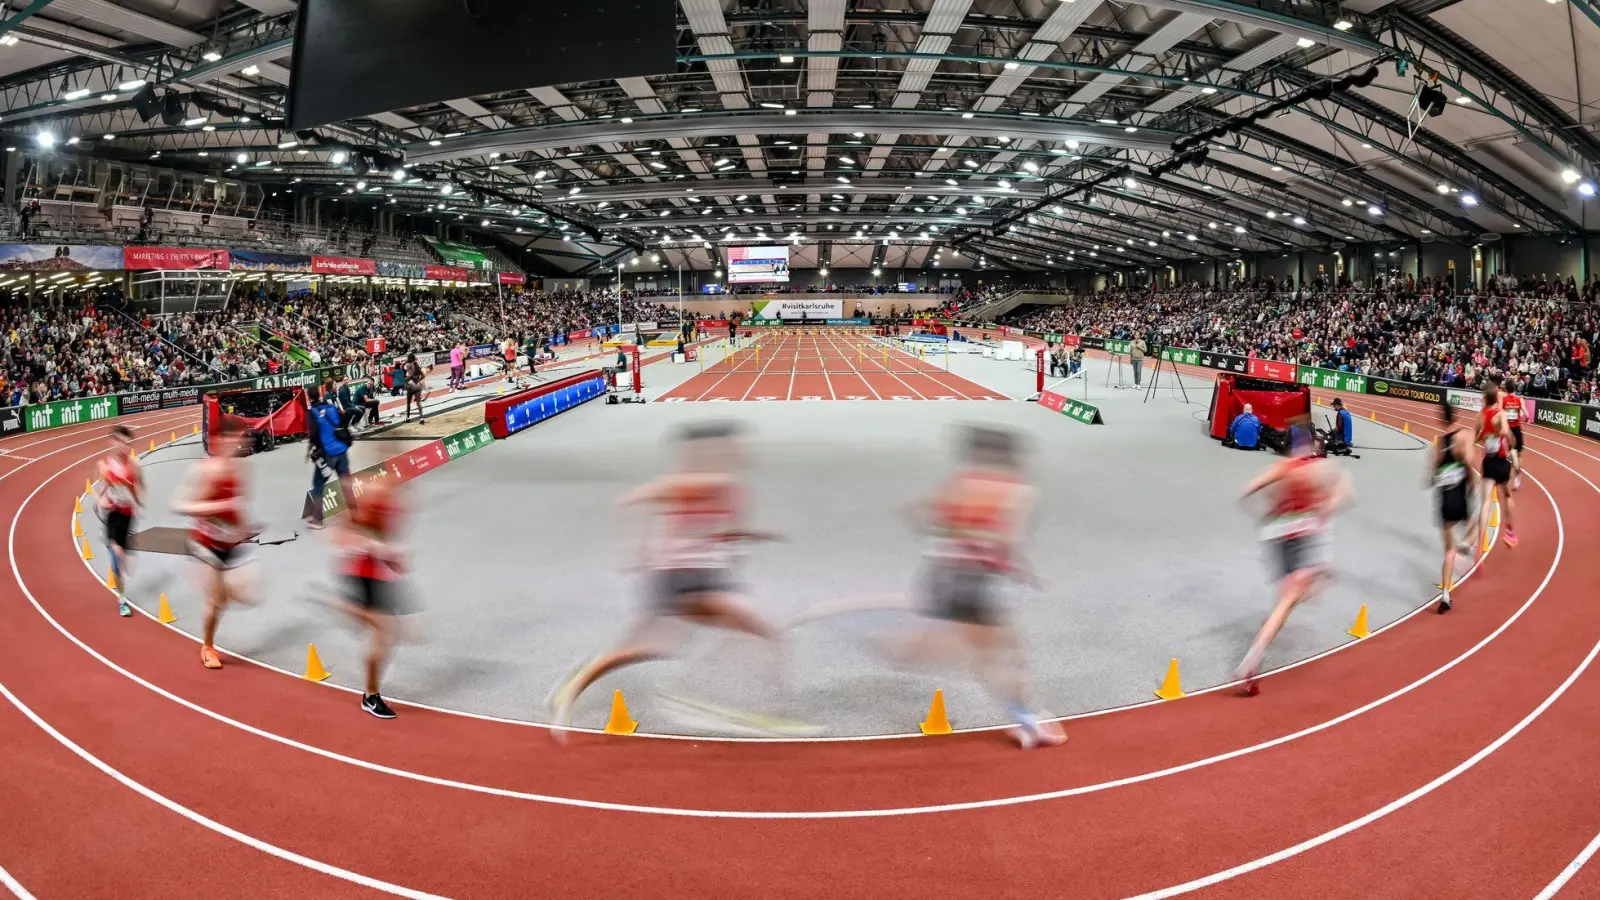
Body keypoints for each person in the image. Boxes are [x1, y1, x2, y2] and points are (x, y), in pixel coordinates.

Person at [548, 422, 794, 735]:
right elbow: (629, 502)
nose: (744, 450)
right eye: (736, 445)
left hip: (705, 577)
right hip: (680, 580)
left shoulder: (730, 488)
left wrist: (753, 536)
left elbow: (719, 532)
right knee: (763, 633)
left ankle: (576, 684)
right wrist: (633, 547)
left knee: (645, 648)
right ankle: (755, 710)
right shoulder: (698, 483)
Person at [892, 426, 1065, 748]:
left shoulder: (960, 483)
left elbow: (912, 509)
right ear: (1010, 457)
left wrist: (940, 544)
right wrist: (1017, 568)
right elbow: (1008, 541)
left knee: (1005, 650)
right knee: (999, 656)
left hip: (941, 575)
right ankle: (1029, 723)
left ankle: (1028, 717)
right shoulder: (1018, 491)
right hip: (978, 581)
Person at [1235, 419, 1352, 695]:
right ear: (1311, 443)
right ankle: (1251, 661)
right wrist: (1327, 504)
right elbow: (1340, 495)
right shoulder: (1318, 469)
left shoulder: (1282, 467)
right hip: (1303, 534)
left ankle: (1310, 582)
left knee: (1292, 595)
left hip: (1277, 535)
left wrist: (1263, 514)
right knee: (1291, 599)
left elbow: (1248, 490)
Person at [172, 420, 256, 670]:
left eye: (241, 440)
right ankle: (207, 646)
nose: (239, 444)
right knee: (214, 601)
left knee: (239, 594)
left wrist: (244, 530)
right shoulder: (203, 471)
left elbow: (238, 506)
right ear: (220, 441)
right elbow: (179, 505)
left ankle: (217, 592)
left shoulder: (240, 469)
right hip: (205, 543)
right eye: (234, 439)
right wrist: (214, 507)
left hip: (230, 541)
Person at [330, 476, 411, 719]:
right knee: (385, 634)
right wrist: (377, 547)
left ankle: (351, 610)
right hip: (362, 576)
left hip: (378, 575)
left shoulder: (389, 502)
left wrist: (393, 557)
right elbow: (344, 537)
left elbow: (384, 539)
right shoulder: (366, 497)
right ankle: (370, 696)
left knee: (389, 634)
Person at [95, 424, 143, 617]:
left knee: (122, 560)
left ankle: (122, 550)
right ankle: (122, 599)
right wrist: (102, 501)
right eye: (120, 442)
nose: (123, 447)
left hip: (128, 515)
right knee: (116, 561)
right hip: (112, 514)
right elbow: (98, 491)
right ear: (112, 442)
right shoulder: (103, 466)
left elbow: (140, 487)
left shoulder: (134, 466)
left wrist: (138, 502)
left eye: (127, 443)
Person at [1431, 425, 1478, 613]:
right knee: (1477, 517)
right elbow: (1468, 462)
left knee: (1448, 551)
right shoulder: (1462, 440)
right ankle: (1467, 542)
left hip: (1443, 503)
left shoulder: (1439, 447)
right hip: (1459, 501)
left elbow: (1433, 475)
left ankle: (1445, 595)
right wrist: (1472, 485)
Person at [305, 380, 353, 531]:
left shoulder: (312, 412)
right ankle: (357, 516)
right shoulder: (331, 406)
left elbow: (313, 435)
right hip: (342, 450)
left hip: (328, 454)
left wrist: (311, 451)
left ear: (308, 397)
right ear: (319, 394)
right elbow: (342, 421)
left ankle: (318, 519)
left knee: (318, 485)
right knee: (346, 483)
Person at [1476, 380, 1517, 548]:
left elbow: (1477, 437)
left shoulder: (1481, 415)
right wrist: (1512, 444)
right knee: (1507, 495)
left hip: (1489, 461)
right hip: (1502, 462)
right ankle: (1510, 532)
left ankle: (1480, 540)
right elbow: (1507, 434)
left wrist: (1485, 436)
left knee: (1486, 502)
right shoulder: (1501, 414)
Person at [1500, 379, 1526, 491]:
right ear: (1515, 388)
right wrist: (1526, 417)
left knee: (1506, 453)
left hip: (1507, 429)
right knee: (1519, 454)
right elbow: (1527, 413)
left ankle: (1509, 470)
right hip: (1516, 429)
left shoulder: (1503, 400)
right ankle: (1518, 475)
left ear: (1506, 388)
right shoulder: (1520, 399)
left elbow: (1500, 412)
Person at [403, 354, 426, 424]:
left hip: (410, 385)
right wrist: (418, 380)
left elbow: (408, 376)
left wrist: (406, 381)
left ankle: (408, 418)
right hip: (418, 386)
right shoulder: (416, 365)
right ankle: (421, 418)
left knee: (408, 403)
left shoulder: (408, 365)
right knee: (418, 402)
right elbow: (422, 375)